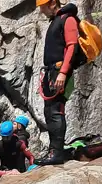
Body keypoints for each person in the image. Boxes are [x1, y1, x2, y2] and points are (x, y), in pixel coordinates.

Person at [35, 0, 79, 165]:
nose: (42, 12)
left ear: (52, 3)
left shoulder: (68, 19)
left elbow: (72, 46)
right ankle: (53, 151)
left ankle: (57, 152)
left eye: (43, 7)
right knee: (49, 111)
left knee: (56, 111)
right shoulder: (57, 20)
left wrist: (62, 73)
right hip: (52, 71)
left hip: (60, 72)